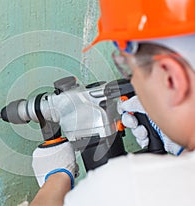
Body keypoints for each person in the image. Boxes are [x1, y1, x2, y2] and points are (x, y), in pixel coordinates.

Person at [30, 0, 195, 205]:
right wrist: (184, 147)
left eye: (129, 70)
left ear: (171, 78)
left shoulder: (127, 186)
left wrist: (56, 178)